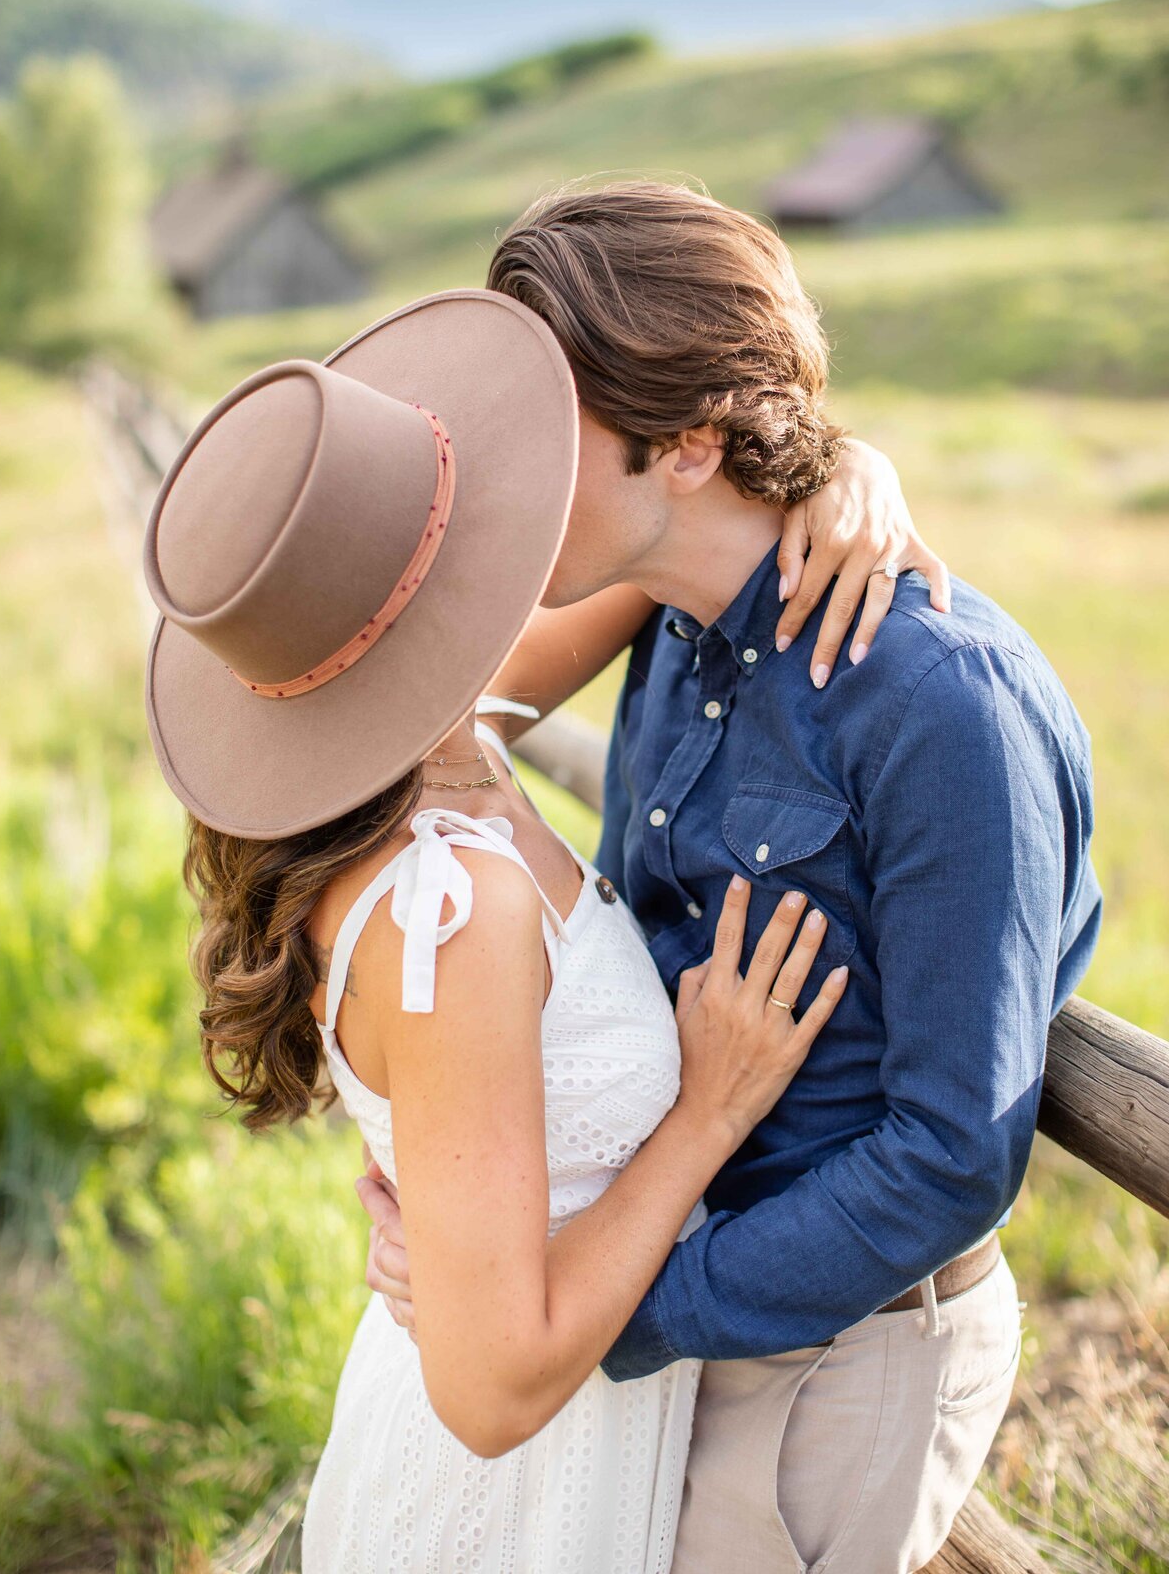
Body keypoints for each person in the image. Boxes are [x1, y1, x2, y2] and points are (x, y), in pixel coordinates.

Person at [141, 273, 943, 1573]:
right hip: (499, 1518)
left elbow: (681, 532)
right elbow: (493, 1388)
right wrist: (708, 1115)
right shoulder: (449, 907)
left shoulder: (428, 742)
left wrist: (850, 468)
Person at [358, 180, 1103, 1573]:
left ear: (690, 444)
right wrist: (509, 1269)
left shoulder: (943, 704)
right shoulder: (677, 624)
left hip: (840, 1352)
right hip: (678, 1301)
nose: (496, 471)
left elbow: (953, 1156)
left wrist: (591, 1308)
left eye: (542, 424)